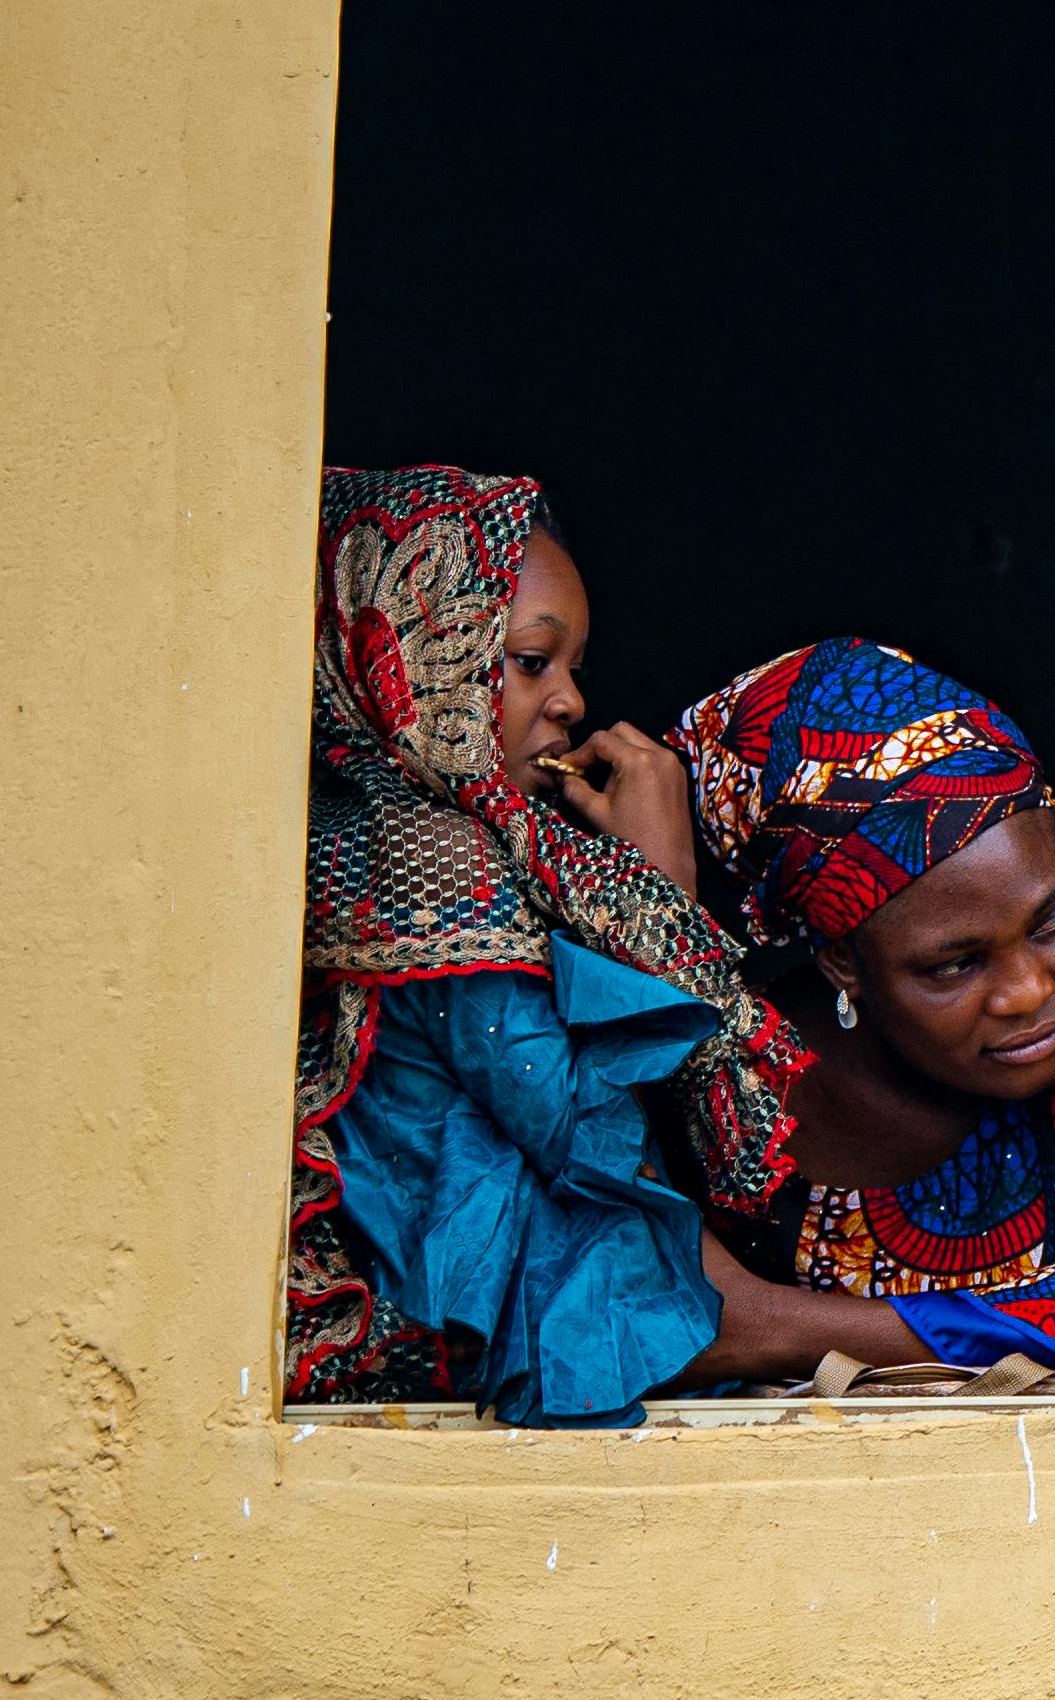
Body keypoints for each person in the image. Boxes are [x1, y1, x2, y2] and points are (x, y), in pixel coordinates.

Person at [284, 467, 795, 1423]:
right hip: (432, 1364)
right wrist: (663, 891)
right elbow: (574, 1126)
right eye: (529, 662)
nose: (566, 703)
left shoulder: (365, 824)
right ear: (404, 654)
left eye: (573, 670)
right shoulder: (422, 847)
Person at [655, 640, 1055, 1383]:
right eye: (956, 964)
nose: (1030, 991)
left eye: (1051, 919)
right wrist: (648, 919)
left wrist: (767, 1327)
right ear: (843, 960)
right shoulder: (731, 1075)